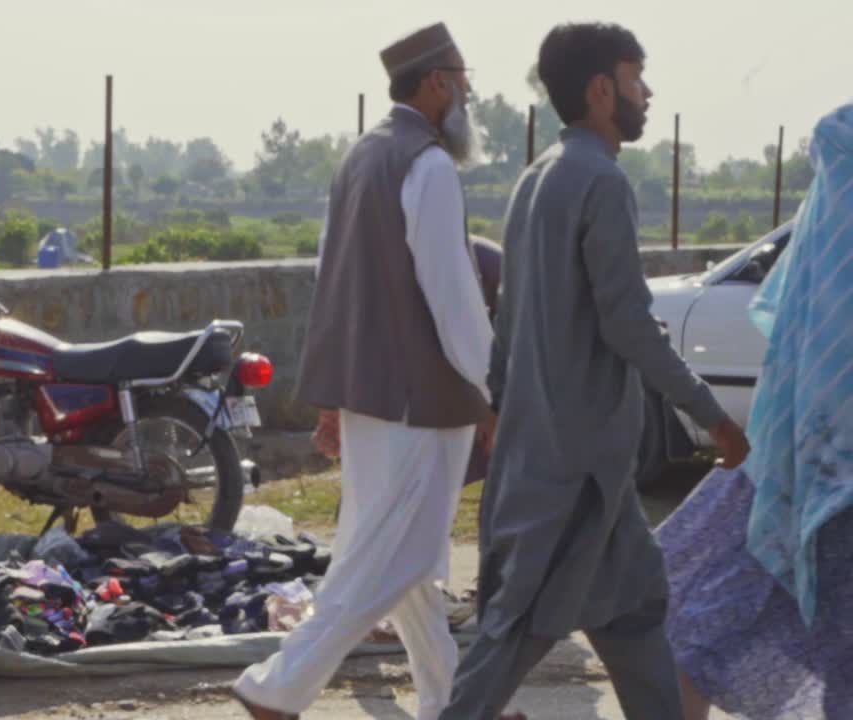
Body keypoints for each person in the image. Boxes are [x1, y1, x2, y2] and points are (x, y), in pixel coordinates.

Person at [438, 23, 750, 720]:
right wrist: (712, 415)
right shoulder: (601, 181)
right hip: (575, 469)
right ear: (603, 89)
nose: (647, 93)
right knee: (519, 627)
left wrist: (500, 408)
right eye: (637, 79)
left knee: (636, 611)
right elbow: (627, 324)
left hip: (569, 457)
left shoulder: (537, 177)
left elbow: (508, 318)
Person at [233, 22, 496, 720]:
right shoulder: (427, 164)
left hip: (371, 397)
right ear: (436, 83)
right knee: (398, 558)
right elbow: (454, 296)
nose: (469, 93)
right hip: (422, 401)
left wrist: (334, 394)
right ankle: (277, 685)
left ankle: (451, 701)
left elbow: (334, 281)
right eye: (462, 79)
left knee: (406, 558)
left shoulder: (363, 154)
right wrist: (493, 388)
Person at [657, 103, 853, 720]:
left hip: (796, 462)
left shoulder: (823, 247)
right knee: (702, 607)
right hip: (804, 468)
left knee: (702, 606)